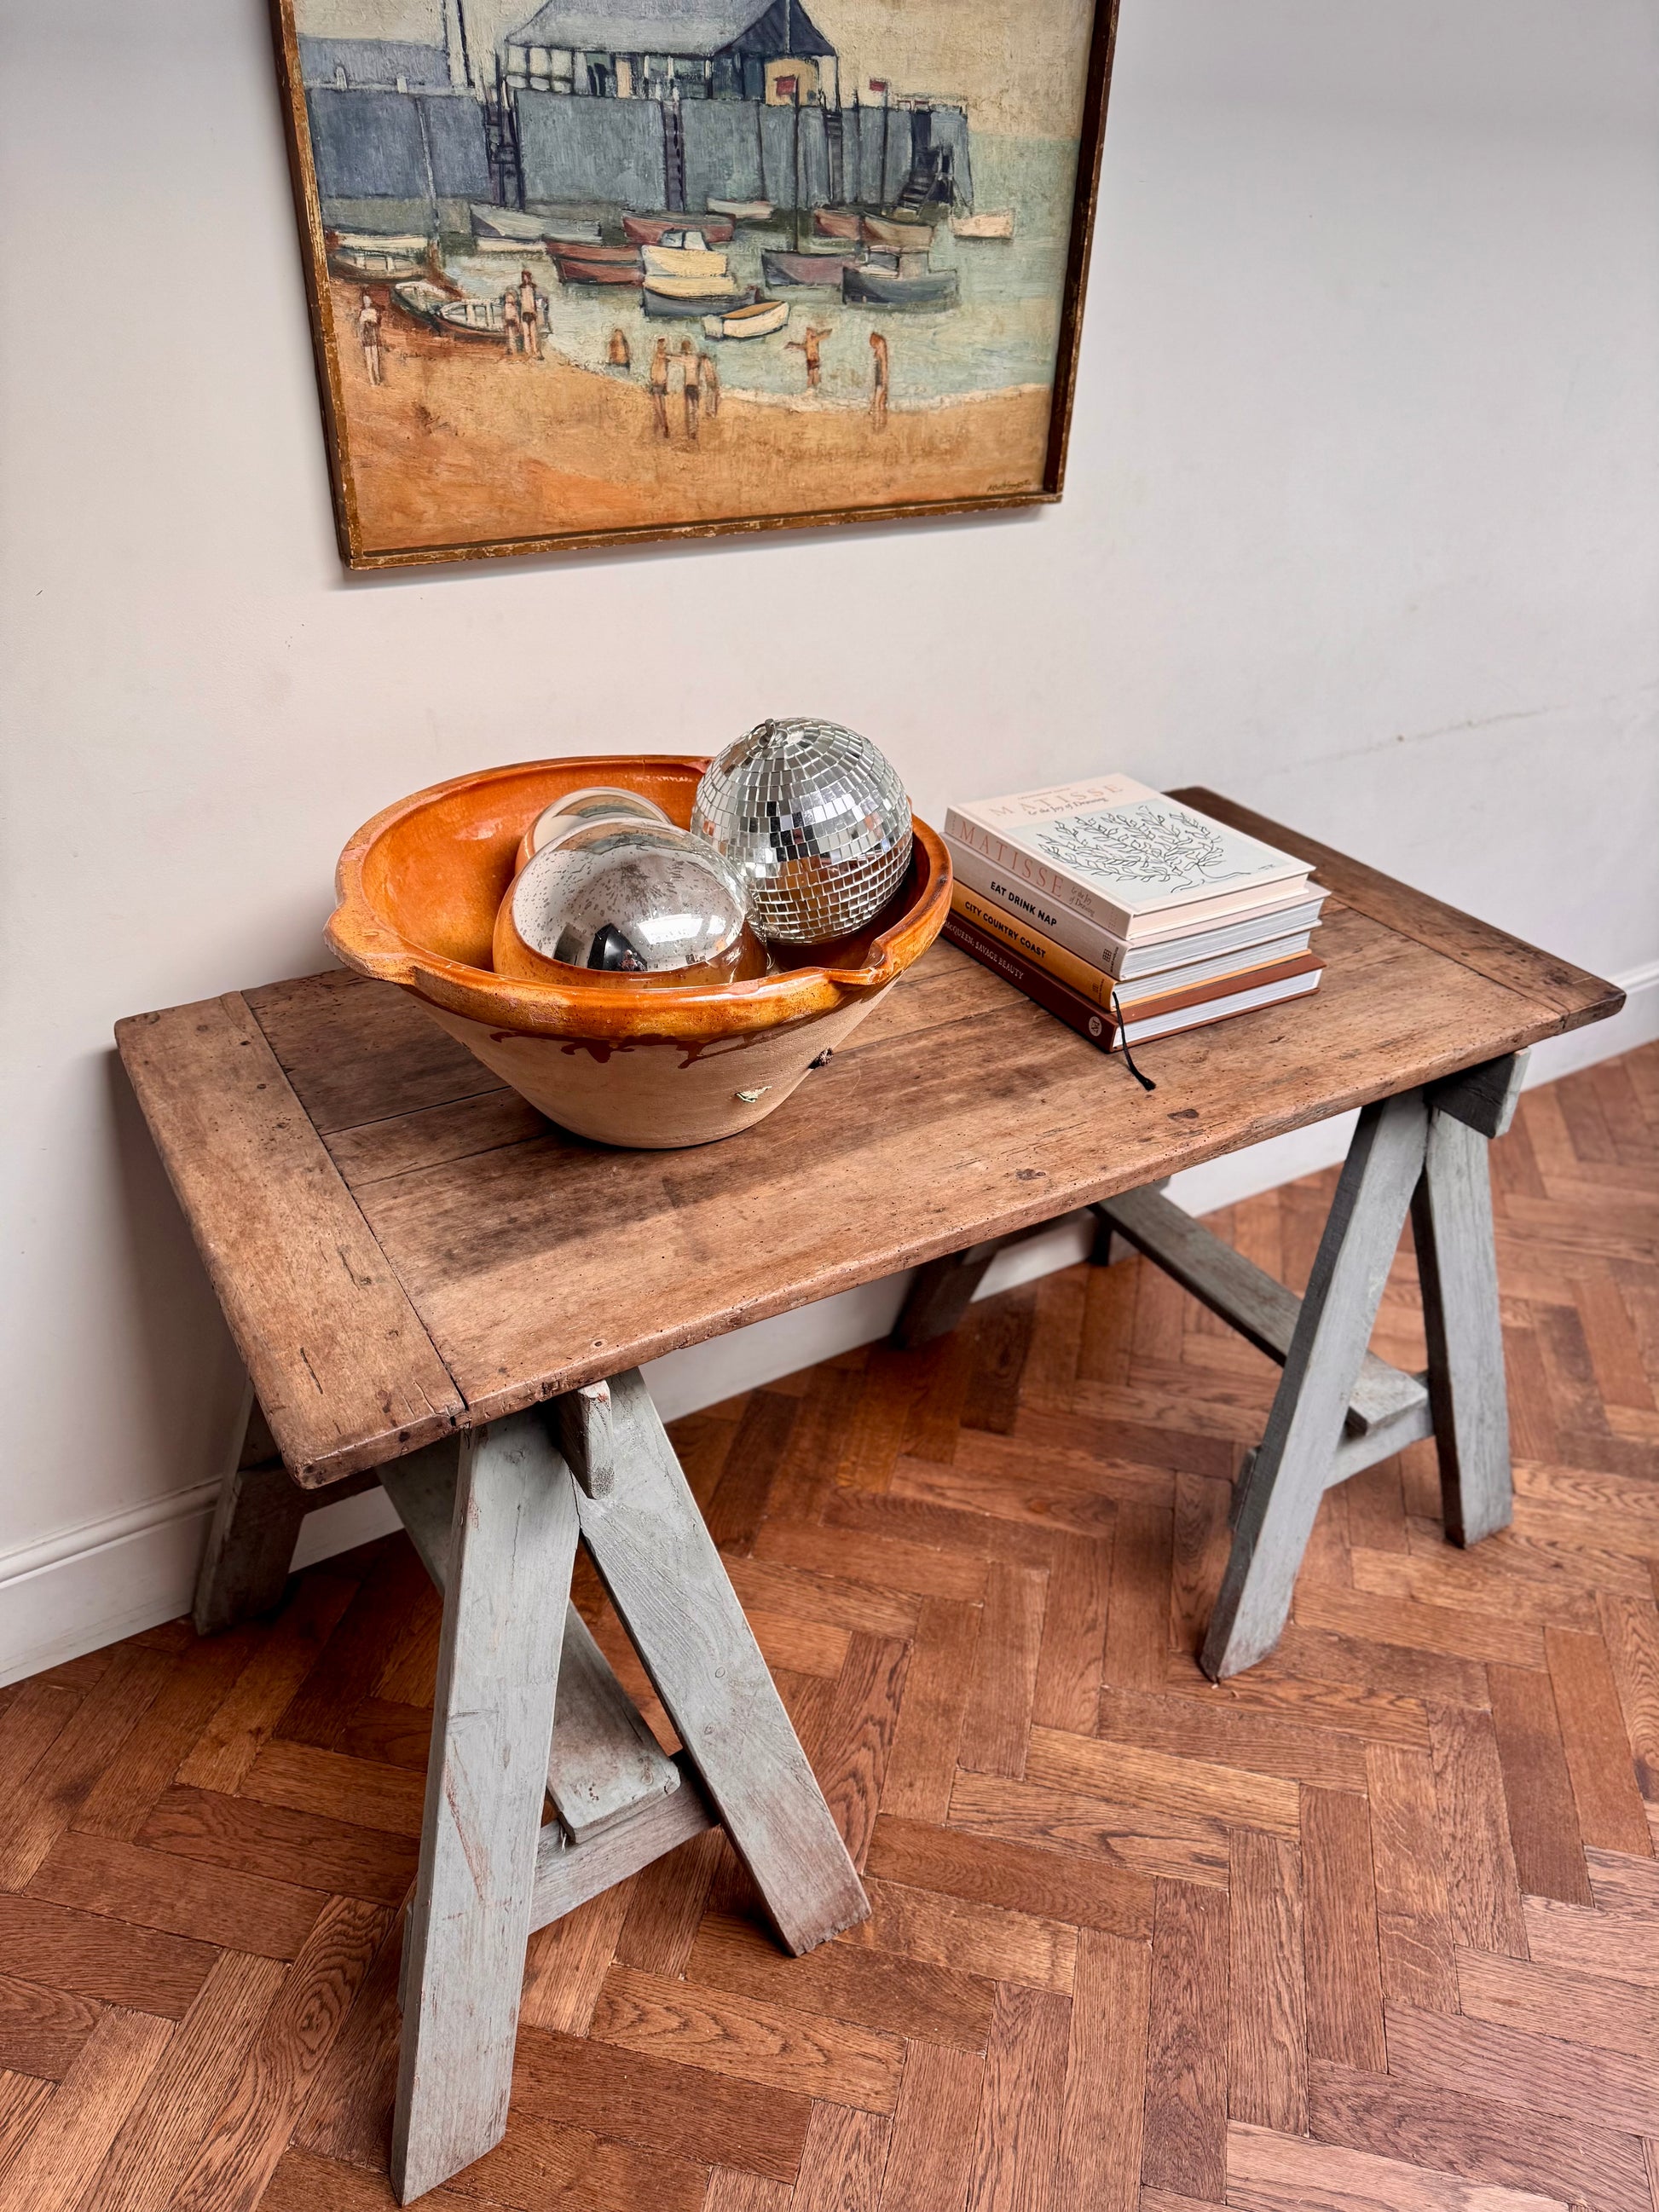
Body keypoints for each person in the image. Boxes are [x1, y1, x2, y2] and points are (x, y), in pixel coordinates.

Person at [786, 323, 830, 390]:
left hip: (815, 360)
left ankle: (816, 388)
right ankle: (809, 389)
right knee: (811, 374)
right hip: (810, 361)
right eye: (807, 333)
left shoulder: (815, 340)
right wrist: (791, 345)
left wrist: (827, 333)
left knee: (815, 372)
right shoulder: (807, 344)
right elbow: (799, 347)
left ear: (812, 334)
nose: (807, 334)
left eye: (808, 333)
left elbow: (822, 336)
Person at [356, 292, 382, 385]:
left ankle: (378, 377)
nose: (366, 302)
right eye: (364, 301)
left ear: (370, 301)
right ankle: (371, 380)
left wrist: (368, 321)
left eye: (367, 300)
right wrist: (366, 322)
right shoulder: (363, 312)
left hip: (373, 336)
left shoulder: (373, 311)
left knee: (375, 357)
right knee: (368, 359)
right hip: (366, 337)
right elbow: (361, 323)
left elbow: (375, 321)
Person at [649, 338, 671, 437]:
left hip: (660, 383)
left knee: (661, 407)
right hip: (656, 383)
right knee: (658, 407)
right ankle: (662, 427)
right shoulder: (658, 356)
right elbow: (654, 369)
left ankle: (664, 427)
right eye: (660, 345)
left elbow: (664, 370)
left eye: (662, 345)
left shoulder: (663, 356)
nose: (661, 347)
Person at [679, 337, 700, 441]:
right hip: (691, 386)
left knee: (693, 409)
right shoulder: (691, 358)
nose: (688, 349)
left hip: (693, 386)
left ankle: (693, 430)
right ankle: (692, 430)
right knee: (692, 409)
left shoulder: (692, 358)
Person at [518, 269, 541, 359]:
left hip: (531, 312)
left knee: (533, 334)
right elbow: (522, 303)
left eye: (527, 277)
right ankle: (528, 352)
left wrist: (535, 312)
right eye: (524, 277)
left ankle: (535, 351)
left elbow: (534, 302)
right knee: (526, 334)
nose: (525, 279)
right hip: (525, 312)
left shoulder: (532, 288)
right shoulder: (522, 288)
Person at [869, 329, 889, 430]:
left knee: (877, 404)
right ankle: (881, 424)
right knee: (880, 403)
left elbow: (884, 367)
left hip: (880, 381)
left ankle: (877, 425)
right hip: (880, 381)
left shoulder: (881, 347)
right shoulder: (881, 349)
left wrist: (885, 382)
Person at [697, 347, 720, 420]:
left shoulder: (704, 363)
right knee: (712, 396)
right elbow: (711, 373)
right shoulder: (707, 362)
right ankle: (711, 411)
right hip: (710, 380)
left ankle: (710, 411)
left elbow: (711, 372)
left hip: (709, 380)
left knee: (711, 396)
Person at [501, 285, 523, 355]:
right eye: (507, 297)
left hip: (513, 321)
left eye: (510, 297)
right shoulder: (507, 306)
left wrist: (518, 322)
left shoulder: (513, 306)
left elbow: (516, 315)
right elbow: (504, 315)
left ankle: (515, 350)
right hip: (509, 321)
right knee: (511, 337)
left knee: (515, 336)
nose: (508, 299)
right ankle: (513, 350)